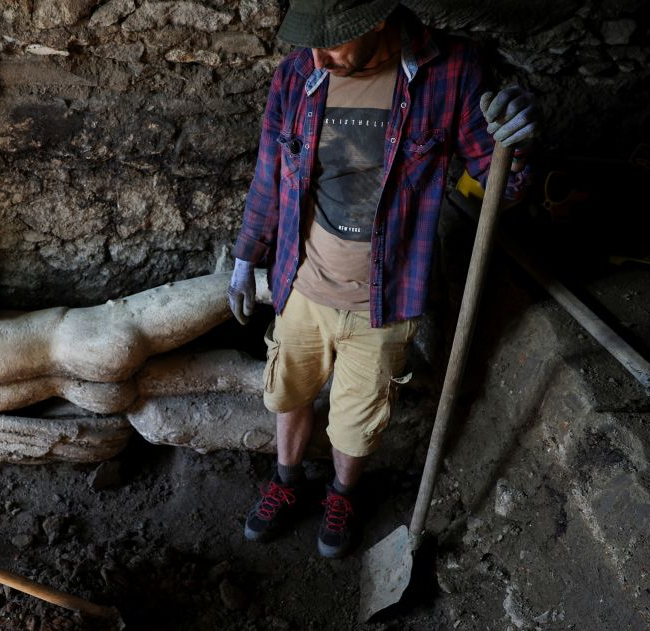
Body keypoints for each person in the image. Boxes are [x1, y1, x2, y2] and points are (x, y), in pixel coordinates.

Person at [227, 0, 537, 558]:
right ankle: (286, 480)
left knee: (356, 421)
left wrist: (514, 143)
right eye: (311, 44)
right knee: (288, 392)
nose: (318, 57)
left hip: (386, 295)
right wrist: (247, 255)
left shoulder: (454, 72)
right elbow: (272, 171)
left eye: (333, 43)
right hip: (303, 280)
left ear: (377, 21)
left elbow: (501, 187)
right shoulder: (298, 75)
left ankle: (344, 493)